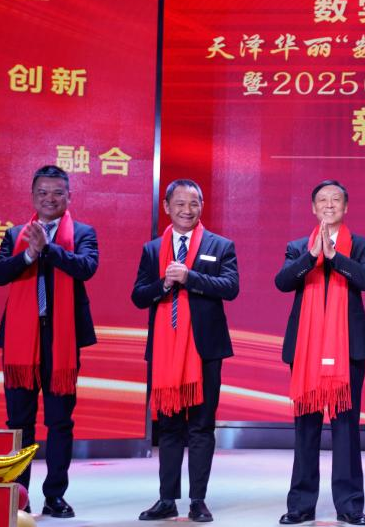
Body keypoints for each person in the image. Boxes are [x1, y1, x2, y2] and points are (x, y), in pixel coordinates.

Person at [0, 164, 98, 518]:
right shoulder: (15, 233)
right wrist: (29, 254)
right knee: (18, 422)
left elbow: (86, 267)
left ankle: (55, 496)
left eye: (57, 193)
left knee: (59, 421)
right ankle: (19, 495)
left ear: (69, 196)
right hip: (21, 339)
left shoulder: (82, 232)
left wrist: (48, 249)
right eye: (43, 193)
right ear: (33, 196)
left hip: (62, 338)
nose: (50, 199)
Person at [132, 180, 239, 522]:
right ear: (167, 207)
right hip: (165, 353)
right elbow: (138, 296)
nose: (186, 210)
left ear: (201, 206)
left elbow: (231, 287)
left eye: (193, 203)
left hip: (205, 350)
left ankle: (197, 500)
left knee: (201, 427)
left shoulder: (220, 245)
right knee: (169, 427)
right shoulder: (152, 250)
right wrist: (164, 284)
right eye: (179, 203)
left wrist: (189, 277)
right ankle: (166, 499)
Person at [274, 180, 365, 526]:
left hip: (348, 349)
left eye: (336, 200)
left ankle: (350, 505)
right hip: (306, 349)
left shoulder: (361, 245)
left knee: (346, 428)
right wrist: (312, 256)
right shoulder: (296, 247)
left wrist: (335, 257)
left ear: (345, 207)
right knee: (306, 427)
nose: (329, 205)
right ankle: (301, 505)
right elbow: (283, 282)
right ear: (313, 208)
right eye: (322, 200)